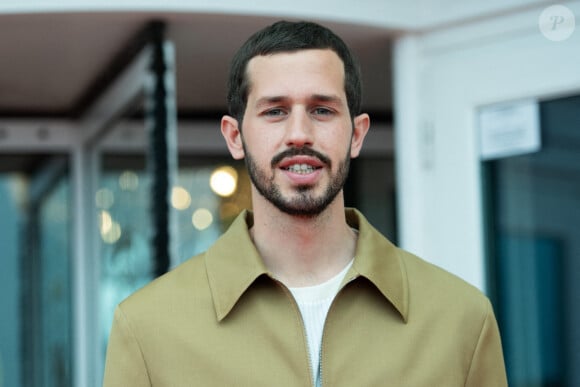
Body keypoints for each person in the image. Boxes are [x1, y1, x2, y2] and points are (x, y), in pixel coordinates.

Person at [103, 20, 507, 386]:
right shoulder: (147, 329)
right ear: (235, 137)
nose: (299, 134)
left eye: (322, 110)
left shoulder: (461, 320)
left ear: (357, 134)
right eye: (275, 111)